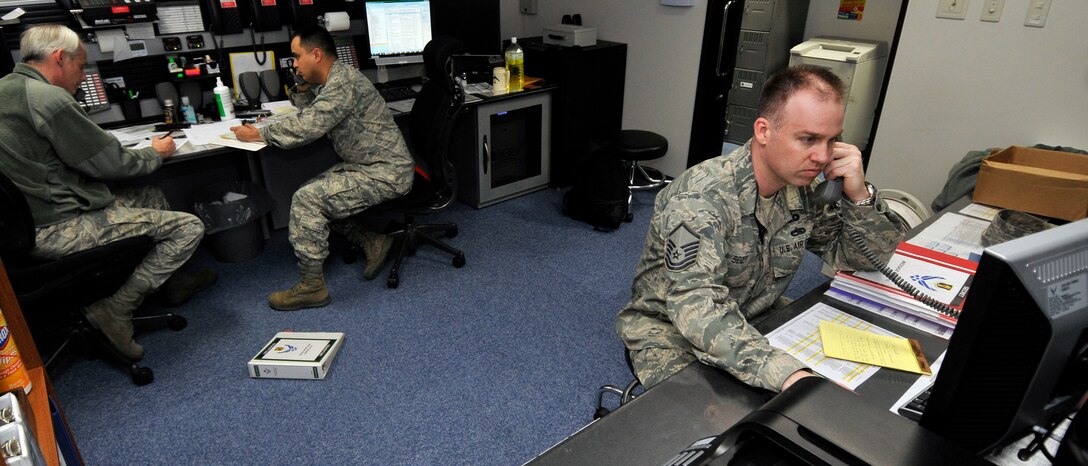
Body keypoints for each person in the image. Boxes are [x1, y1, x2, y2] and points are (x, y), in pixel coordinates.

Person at [616, 65, 908, 392]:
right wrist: (787, 374)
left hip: (755, 317)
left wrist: (859, 197)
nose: (823, 156)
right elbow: (697, 310)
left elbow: (861, 259)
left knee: (858, 383)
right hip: (672, 332)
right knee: (732, 422)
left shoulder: (802, 189)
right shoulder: (700, 200)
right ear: (764, 131)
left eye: (832, 140)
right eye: (808, 139)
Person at [0, 24, 216, 360]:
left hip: (20, 228)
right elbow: (112, 164)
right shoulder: (49, 98)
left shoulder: (7, 90)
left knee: (150, 195)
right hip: (57, 227)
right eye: (81, 66)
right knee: (188, 228)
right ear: (59, 58)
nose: (82, 75)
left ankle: (173, 283)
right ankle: (116, 310)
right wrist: (155, 153)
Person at [230, 26, 414, 311]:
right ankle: (373, 241)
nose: (294, 64)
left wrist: (258, 134)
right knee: (310, 191)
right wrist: (303, 88)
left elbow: (308, 126)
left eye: (296, 56)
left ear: (315, 54)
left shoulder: (343, 83)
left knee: (308, 200)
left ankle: (312, 288)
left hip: (386, 173)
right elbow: (311, 112)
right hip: (365, 166)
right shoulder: (332, 81)